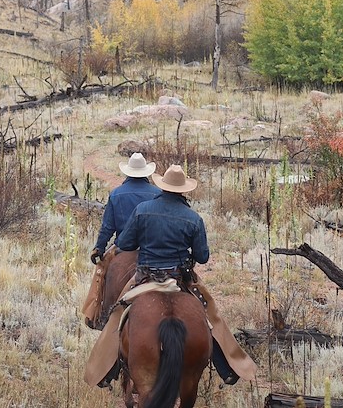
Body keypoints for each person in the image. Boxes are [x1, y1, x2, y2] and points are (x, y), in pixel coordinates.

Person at [84, 164, 258, 388]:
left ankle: (107, 371)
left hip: (144, 276)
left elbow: (125, 243)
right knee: (210, 315)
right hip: (179, 277)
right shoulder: (193, 218)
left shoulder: (143, 210)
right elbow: (203, 256)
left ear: (162, 186)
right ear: (183, 190)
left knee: (118, 313)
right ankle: (227, 367)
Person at [81, 152, 161, 329]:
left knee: (101, 273)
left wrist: (99, 248)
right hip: (154, 247)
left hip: (123, 247)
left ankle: (98, 315)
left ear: (128, 172)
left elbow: (108, 227)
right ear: (146, 173)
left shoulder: (117, 194)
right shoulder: (158, 194)